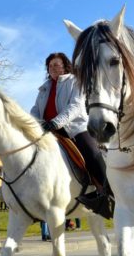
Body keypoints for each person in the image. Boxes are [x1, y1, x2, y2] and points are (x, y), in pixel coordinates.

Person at [30, 51, 114, 219]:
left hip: (74, 129)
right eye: (50, 65)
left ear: (65, 66)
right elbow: (35, 110)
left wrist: (56, 122)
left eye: (56, 64)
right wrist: (31, 124)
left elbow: (75, 106)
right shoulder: (44, 88)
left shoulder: (75, 81)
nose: (53, 68)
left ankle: (108, 194)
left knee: (92, 155)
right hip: (48, 131)